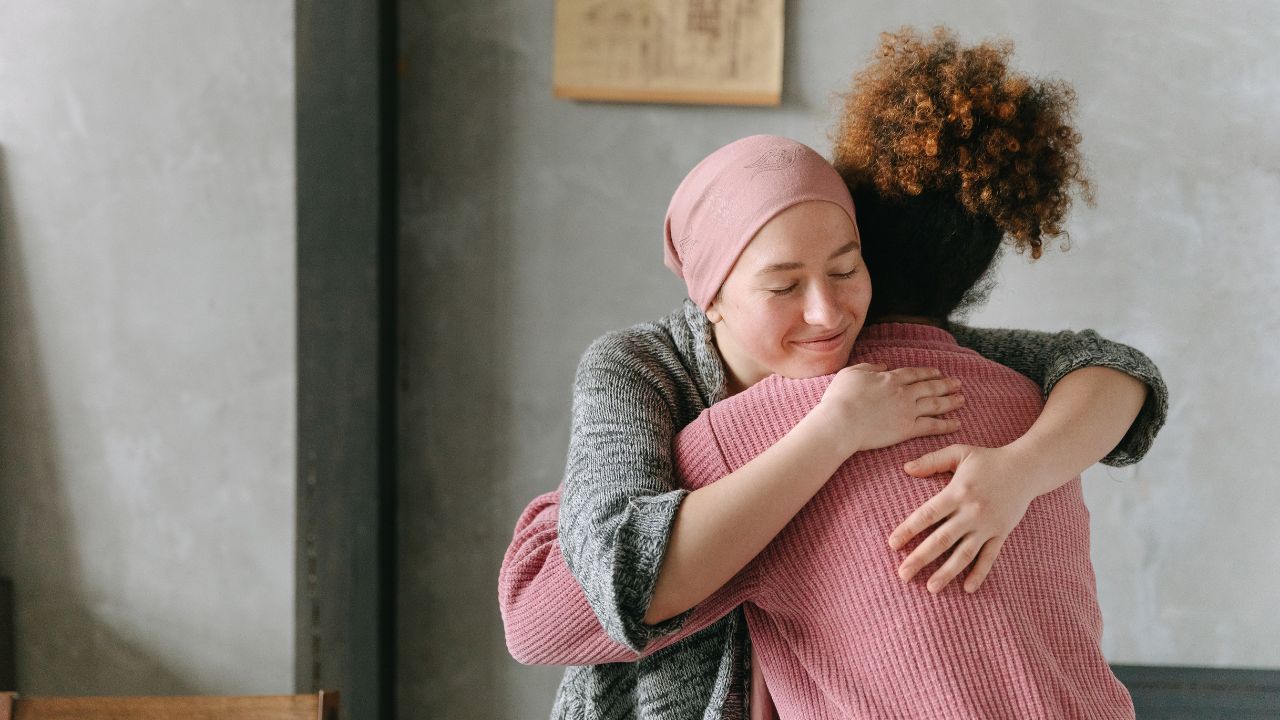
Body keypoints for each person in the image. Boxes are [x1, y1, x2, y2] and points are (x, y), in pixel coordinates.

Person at [500, 28, 1168, 720]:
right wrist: (831, 431)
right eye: (783, 286)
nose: (826, 312)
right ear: (710, 296)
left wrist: (1018, 471)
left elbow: (1112, 366)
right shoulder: (643, 369)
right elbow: (572, 594)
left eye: (847, 270)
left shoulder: (901, 372)